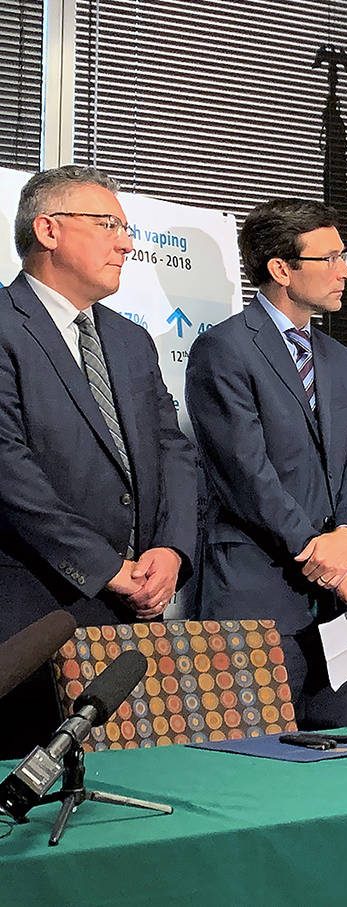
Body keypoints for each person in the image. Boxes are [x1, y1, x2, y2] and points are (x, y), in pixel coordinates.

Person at [0, 165, 197, 756]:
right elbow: (7, 469)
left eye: (127, 227)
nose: (127, 243)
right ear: (49, 230)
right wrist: (103, 565)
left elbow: (174, 451)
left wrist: (171, 549)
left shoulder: (130, 339)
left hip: (130, 622)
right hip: (32, 616)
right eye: (108, 224)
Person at [186, 198, 347, 729]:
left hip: (337, 611)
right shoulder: (223, 349)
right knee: (254, 766)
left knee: (338, 764)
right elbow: (246, 476)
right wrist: (333, 566)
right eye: (331, 259)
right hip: (257, 594)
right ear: (281, 269)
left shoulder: (339, 358)